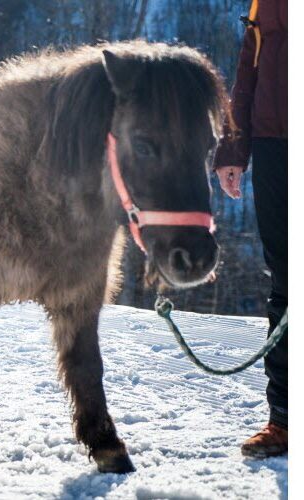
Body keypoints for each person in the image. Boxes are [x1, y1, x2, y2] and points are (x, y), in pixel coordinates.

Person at [213, 0, 287, 458]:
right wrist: (233, 148)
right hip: (276, 143)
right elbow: (249, 65)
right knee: (285, 282)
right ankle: (284, 420)